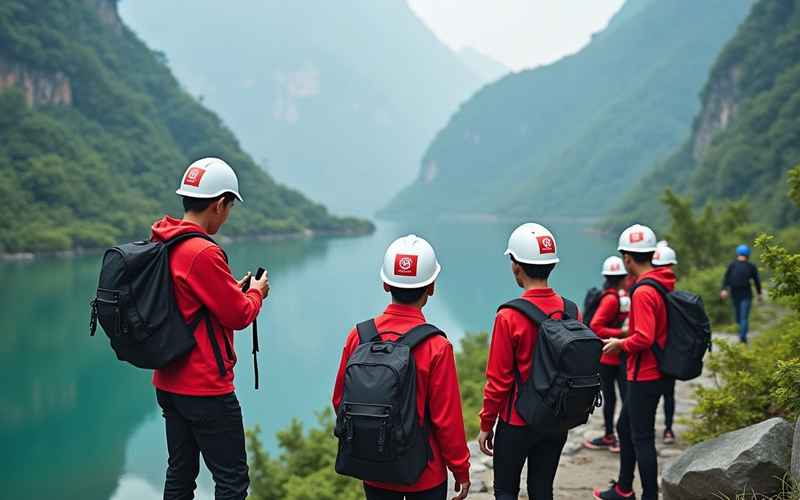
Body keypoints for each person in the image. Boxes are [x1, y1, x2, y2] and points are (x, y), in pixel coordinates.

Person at [152, 158, 270, 500]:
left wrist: (231, 288)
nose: (227, 213)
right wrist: (255, 292)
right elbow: (239, 315)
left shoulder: (164, 240)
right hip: (204, 388)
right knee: (232, 480)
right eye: (229, 206)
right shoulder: (203, 252)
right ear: (219, 204)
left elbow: (189, 302)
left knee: (180, 474)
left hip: (169, 383)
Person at [332, 235, 471, 500]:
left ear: (386, 284)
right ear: (431, 286)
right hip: (425, 473)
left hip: (374, 468)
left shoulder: (359, 336)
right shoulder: (436, 345)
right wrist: (460, 469)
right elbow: (446, 420)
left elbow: (340, 400)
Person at [478, 223, 576, 500]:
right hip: (557, 419)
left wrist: (487, 424)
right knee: (542, 489)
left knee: (506, 491)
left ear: (515, 265)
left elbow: (498, 380)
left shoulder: (509, 316)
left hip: (516, 422)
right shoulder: (570, 310)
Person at [594, 224, 676, 500]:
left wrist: (619, 344)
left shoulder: (643, 292)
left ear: (627, 258)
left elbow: (643, 337)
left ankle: (647, 494)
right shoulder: (662, 282)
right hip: (656, 370)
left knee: (641, 438)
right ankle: (624, 487)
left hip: (646, 374)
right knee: (625, 427)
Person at [584, 256, 630, 454]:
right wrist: (623, 334)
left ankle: (614, 435)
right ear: (622, 278)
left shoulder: (615, 296)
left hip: (611, 356)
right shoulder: (612, 299)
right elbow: (596, 326)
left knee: (615, 397)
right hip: (611, 357)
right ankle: (615, 436)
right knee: (620, 397)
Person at [652, 242, 678, 445]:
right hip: (671, 351)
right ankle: (668, 429)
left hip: (654, 354)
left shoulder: (649, 290)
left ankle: (650, 428)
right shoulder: (673, 291)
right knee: (669, 394)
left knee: (650, 398)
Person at [720, 244, 763, 343]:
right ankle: (742, 336)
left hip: (738, 294)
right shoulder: (751, 266)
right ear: (748, 254)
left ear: (737, 253)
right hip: (744, 294)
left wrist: (724, 289)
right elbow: (757, 281)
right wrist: (759, 294)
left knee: (740, 317)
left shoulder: (732, 265)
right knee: (742, 317)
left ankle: (742, 337)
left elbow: (726, 279)